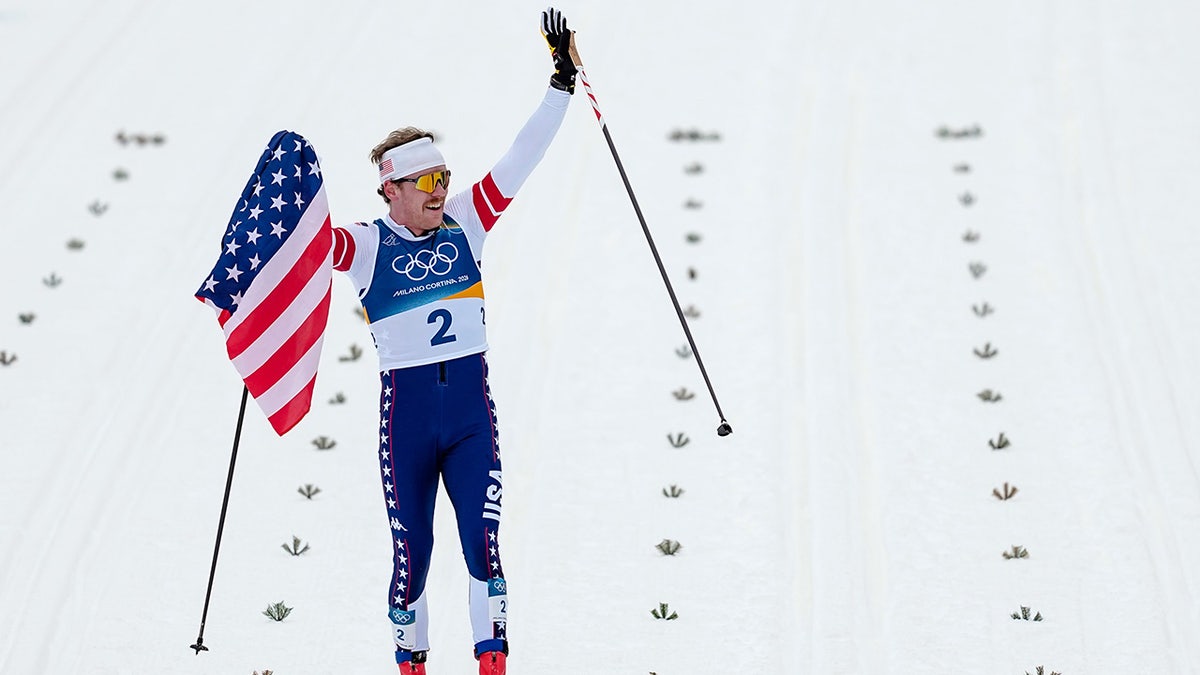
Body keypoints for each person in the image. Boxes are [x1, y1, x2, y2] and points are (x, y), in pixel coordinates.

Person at [329, 8, 577, 675]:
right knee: (411, 555)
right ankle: (411, 662)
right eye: (429, 182)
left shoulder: (466, 222)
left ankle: (492, 663)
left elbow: (521, 157)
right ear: (391, 188)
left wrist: (562, 82)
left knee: (483, 547)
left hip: (469, 418)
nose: (443, 190)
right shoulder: (367, 245)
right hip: (406, 420)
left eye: (445, 177)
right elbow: (313, 242)